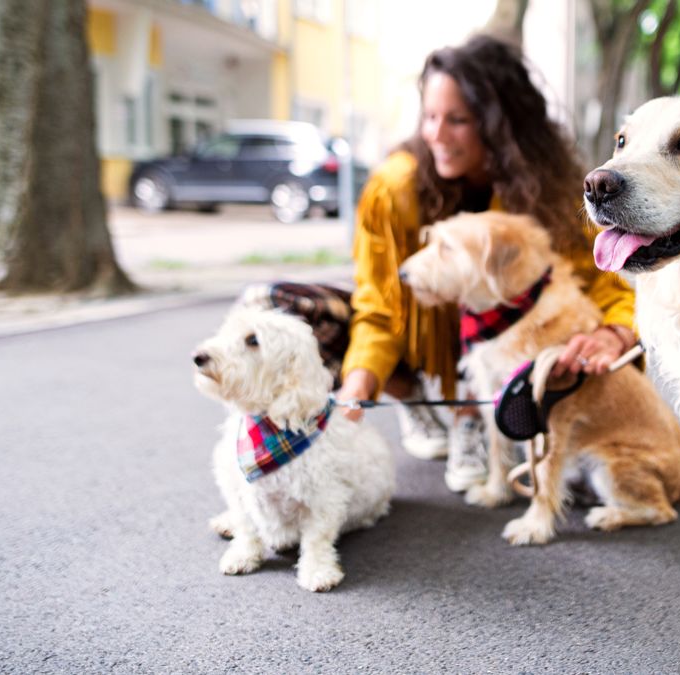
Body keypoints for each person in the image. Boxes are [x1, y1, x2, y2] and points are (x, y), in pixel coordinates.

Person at [242, 34, 637, 493]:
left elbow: (603, 288)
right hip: (422, 334)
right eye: (430, 117)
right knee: (270, 306)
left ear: (499, 126)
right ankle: (413, 398)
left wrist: (614, 333)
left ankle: (475, 412)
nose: (436, 135)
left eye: (457, 120)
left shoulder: (545, 191)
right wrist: (358, 391)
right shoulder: (395, 189)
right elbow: (380, 305)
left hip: (505, 346)